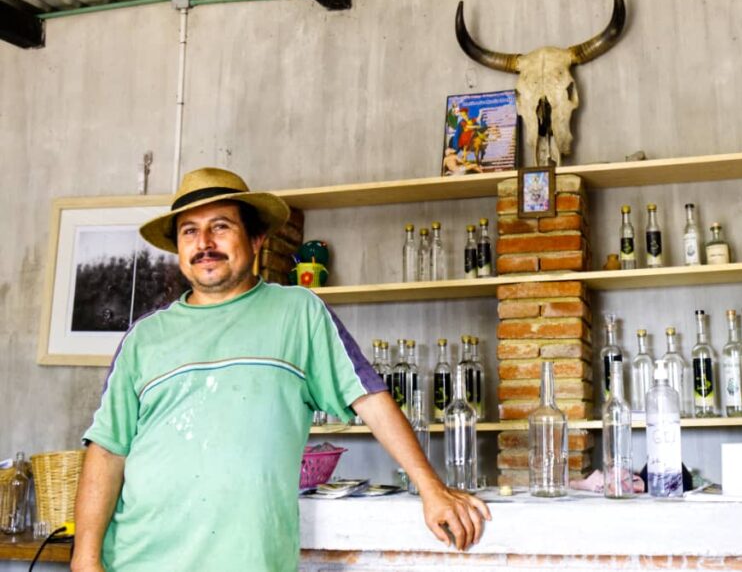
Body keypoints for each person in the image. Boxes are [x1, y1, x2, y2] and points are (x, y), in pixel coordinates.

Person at [72, 167, 491, 572]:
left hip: (251, 561)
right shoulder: (144, 338)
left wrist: (430, 487)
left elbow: (369, 397)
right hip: (138, 559)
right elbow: (108, 451)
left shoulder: (298, 313)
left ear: (255, 240)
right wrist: (85, 559)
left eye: (220, 227)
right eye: (189, 231)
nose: (204, 243)